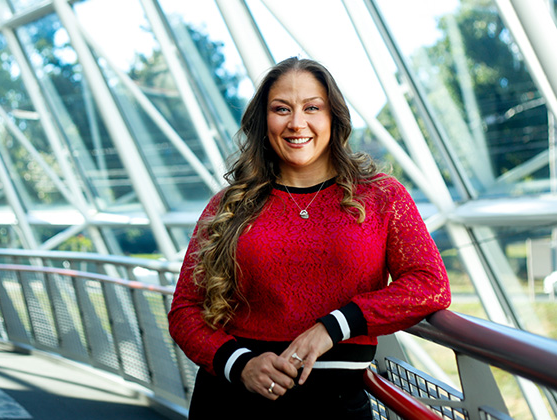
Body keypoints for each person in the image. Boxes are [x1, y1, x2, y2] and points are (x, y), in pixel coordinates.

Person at [168, 57, 451, 419]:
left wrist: (332, 327)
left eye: (312, 108)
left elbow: (430, 285)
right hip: (234, 399)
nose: (296, 123)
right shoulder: (228, 205)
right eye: (281, 109)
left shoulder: (382, 196)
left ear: (333, 117)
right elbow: (184, 310)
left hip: (337, 405)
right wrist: (239, 365)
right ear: (263, 120)